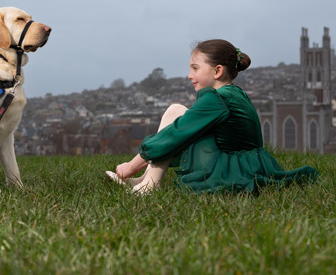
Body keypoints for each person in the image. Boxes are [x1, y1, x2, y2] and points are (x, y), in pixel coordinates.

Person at [106, 39, 319, 194]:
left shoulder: (216, 99)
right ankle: (147, 181)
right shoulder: (235, 93)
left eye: (195, 68)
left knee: (178, 117)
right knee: (177, 112)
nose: (189, 75)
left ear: (217, 71)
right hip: (252, 164)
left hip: (232, 171)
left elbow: (176, 133)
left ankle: (148, 186)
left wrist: (132, 165)